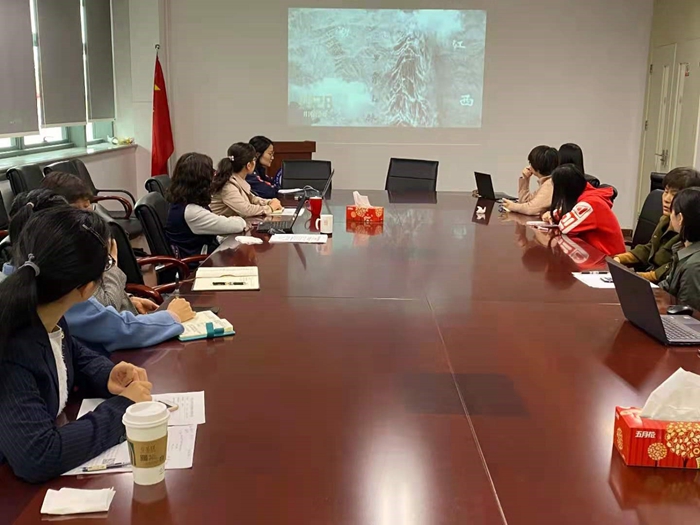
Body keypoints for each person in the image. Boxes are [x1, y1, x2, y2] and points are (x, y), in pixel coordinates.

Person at [0, 206, 153, 483]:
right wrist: (122, 408)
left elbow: (72, 352)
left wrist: (106, 374)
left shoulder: (46, 313)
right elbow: (38, 455)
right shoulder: (11, 346)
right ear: (85, 289)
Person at [4, 189, 193, 355]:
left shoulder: (18, 275)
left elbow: (80, 355)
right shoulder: (58, 287)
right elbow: (119, 330)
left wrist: (128, 299)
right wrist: (172, 317)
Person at [614, 167, 700, 283]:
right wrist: (619, 258)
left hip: (661, 285)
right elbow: (650, 248)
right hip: (647, 278)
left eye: (674, 194)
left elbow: (670, 270)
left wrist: (634, 277)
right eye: (666, 191)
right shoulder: (665, 219)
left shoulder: (689, 233)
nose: (667, 199)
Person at [165, 152, 247, 258]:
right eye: (210, 171)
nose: (214, 174)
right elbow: (237, 225)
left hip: (203, 253)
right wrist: (241, 221)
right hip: (198, 263)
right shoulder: (191, 211)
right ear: (202, 180)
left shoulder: (182, 201)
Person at [544, 164, 625, 256]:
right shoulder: (585, 195)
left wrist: (556, 215)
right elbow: (568, 213)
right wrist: (554, 214)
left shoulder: (590, 203)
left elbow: (565, 227)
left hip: (609, 259)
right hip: (596, 254)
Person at [210, 142, 283, 218]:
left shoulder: (238, 180)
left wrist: (268, 202)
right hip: (224, 224)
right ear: (249, 165)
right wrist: (270, 208)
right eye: (254, 159)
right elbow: (246, 210)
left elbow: (252, 199)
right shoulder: (228, 185)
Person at [659, 188, 700, 310]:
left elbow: (688, 313)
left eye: (672, 212)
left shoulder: (693, 267)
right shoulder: (681, 249)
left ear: (680, 218)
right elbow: (666, 286)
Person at [502, 145, 559, 216]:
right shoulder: (547, 182)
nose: (529, 167)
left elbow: (531, 209)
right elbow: (525, 202)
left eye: (530, 163)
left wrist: (512, 206)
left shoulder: (549, 184)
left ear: (537, 167)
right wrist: (525, 179)